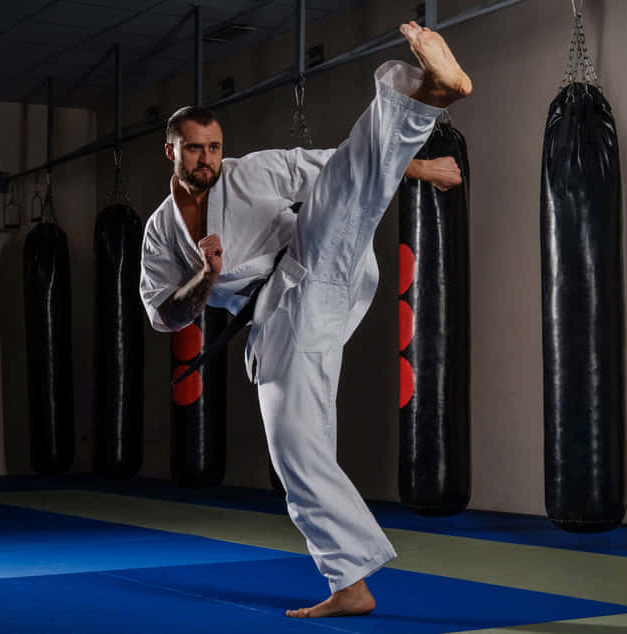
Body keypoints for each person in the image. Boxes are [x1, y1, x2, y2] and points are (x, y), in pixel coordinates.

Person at [140, 21, 471, 618]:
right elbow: (164, 314)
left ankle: (430, 94)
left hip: (309, 260)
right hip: (277, 324)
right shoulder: (160, 232)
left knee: (340, 193)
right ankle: (350, 582)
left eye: (214, 147)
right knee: (296, 448)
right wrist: (205, 279)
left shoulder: (249, 172)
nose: (208, 159)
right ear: (172, 151)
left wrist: (424, 170)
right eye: (194, 149)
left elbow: (335, 164)